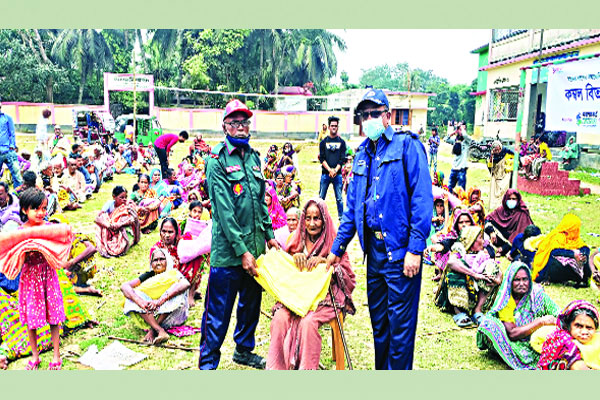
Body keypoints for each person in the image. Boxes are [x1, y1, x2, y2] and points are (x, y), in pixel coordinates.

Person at [327, 89, 433, 370]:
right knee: (380, 326)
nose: (370, 119)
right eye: (365, 115)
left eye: (375, 113)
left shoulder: (407, 146)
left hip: (400, 253)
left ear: (388, 116)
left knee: (400, 330)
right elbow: (351, 209)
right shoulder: (361, 154)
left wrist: (415, 248)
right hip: (373, 254)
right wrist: (337, 249)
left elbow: (422, 199)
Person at [199, 99, 280, 370]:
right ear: (225, 126)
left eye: (245, 122)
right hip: (229, 254)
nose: (242, 127)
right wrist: (242, 251)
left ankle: (243, 350)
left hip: (255, 250)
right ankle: (208, 363)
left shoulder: (254, 157)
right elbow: (223, 212)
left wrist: (269, 235)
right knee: (218, 312)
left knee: (250, 306)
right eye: (235, 122)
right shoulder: (217, 160)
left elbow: (260, 201)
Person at [267, 198, 356, 369]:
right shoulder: (296, 239)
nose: (312, 223)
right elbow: (287, 273)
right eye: (308, 218)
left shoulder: (334, 241)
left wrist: (325, 263)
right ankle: (277, 369)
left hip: (323, 299)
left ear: (324, 219)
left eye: (317, 218)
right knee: (279, 319)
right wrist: (295, 258)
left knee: (308, 323)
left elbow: (347, 274)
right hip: (296, 296)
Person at [16, 189, 67, 370]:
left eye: (44, 208)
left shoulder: (49, 228)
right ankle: (35, 356)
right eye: (35, 208)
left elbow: (57, 255)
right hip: (30, 278)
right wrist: (26, 250)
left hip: (48, 275)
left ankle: (56, 355)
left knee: (53, 316)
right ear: (24, 210)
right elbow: (18, 261)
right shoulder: (20, 233)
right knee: (31, 318)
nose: (40, 213)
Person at [476, 262, 559, 369]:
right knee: (490, 325)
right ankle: (509, 353)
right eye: (517, 280)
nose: (521, 283)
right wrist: (541, 322)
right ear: (510, 281)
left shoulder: (537, 295)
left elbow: (560, 314)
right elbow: (512, 333)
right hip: (511, 340)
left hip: (535, 339)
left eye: (525, 279)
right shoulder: (506, 301)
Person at [434, 225, 502, 327]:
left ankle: (477, 309)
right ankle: (459, 311)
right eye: (480, 238)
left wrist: (496, 280)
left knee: (491, 267)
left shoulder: (483, 255)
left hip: (475, 294)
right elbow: (451, 263)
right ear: (471, 239)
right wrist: (474, 274)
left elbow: (498, 271)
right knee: (455, 269)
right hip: (457, 296)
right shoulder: (459, 252)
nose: (483, 241)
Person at [121, 248, 190, 345]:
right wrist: (141, 302)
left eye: (161, 259)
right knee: (131, 296)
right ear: (151, 263)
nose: (158, 263)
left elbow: (185, 284)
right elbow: (125, 287)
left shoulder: (174, 273)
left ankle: (153, 330)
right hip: (152, 312)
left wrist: (159, 301)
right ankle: (159, 330)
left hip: (173, 314)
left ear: (167, 260)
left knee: (177, 289)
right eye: (155, 260)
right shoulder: (149, 275)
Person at [528, 213, 591, 287]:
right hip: (552, 267)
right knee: (557, 262)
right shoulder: (557, 236)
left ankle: (582, 279)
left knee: (586, 261)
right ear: (570, 228)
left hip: (571, 266)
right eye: (575, 228)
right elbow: (554, 251)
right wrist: (572, 254)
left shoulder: (575, 238)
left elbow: (584, 247)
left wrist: (583, 255)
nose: (577, 230)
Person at [537, 300, 600, 370]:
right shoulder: (563, 341)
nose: (584, 332)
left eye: (589, 328)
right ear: (568, 325)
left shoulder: (595, 340)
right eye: (578, 326)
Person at [95, 186, 140, 258]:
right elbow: (97, 218)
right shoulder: (110, 204)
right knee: (103, 217)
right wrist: (108, 225)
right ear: (114, 197)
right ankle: (104, 244)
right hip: (111, 228)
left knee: (124, 218)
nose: (124, 200)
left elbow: (133, 219)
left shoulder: (128, 205)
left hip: (122, 229)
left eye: (126, 197)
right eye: (121, 197)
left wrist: (120, 224)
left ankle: (120, 246)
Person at [484, 189, 534, 255]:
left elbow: (522, 234)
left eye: (514, 199)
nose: (511, 201)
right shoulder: (501, 210)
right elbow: (488, 219)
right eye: (509, 199)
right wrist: (491, 232)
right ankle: (501, 249)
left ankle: (504, 249)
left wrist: (505, 247)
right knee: (485, 229)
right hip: (501, 238)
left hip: (514, 240)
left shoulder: (522, 213)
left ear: (518, 200)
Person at [318, 115, 346, 219]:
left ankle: (341, 218)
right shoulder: (323, 142)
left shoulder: (342, 142)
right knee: (321, 198)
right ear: (329, 127)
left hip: (337, 175)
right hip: (325, 174)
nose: (334, 127)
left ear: (337, 127)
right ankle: (319, 216)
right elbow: (322, 158)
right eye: (332, 125)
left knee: (339, 198)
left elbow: (342, 159)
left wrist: (335, 170)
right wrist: (330, 170)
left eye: (336, 126)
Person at [0, 97, 23, 188]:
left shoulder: (7, 118)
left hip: (8, 151)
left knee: (17, 176)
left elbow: (12, 133)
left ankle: (18, 196)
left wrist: (12, 145)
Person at [445, 122, 473, 192]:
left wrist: (461, 128)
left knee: (461, 191)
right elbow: (446, 139)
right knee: (449, 189)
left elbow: (465, 136)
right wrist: (454, 132)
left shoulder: (467, 141)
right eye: (459, 129)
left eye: (462, 129)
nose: (460, 131)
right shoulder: (455, 141)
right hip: (454, 169)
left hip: (461, 169)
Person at [488, 140, 514, 211]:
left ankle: (504, 204)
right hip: (496, 174)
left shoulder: (506, 150)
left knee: (504, 189)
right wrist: (492, 156)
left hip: (505, 173)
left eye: (499, 149)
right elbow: (490, 166)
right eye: (496, 150)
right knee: (495, 191)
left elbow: (515, 156)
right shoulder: (492, 154)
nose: (498, 151)